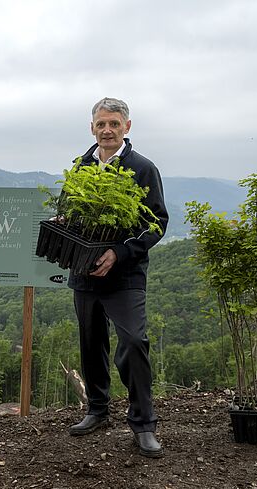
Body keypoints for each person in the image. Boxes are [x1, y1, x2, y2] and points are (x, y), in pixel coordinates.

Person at [67, 97, 169, 458]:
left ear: (127, 126)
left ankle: (143, 424)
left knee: (134, 342)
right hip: (84, 273)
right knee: (91, 342)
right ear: (92, 128)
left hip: (125, 276)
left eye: (113, 123)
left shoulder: (142, 168)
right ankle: (97, 410)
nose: (107, 130)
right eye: (101, 124)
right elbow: (69, 211)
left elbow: (157, 223)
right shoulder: (80, 167)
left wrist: (119, 253)